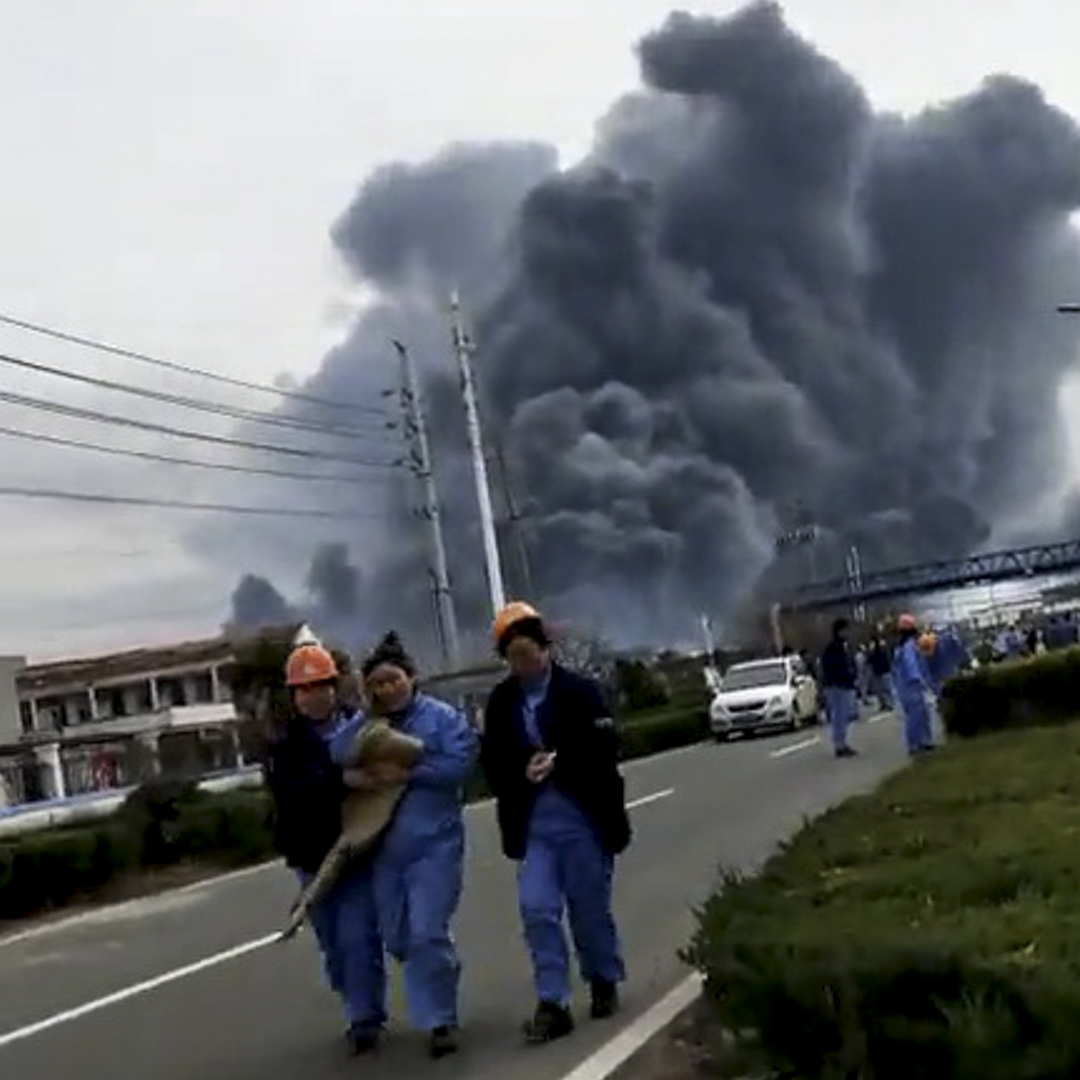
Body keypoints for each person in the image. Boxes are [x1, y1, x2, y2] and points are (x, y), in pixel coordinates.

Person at [480, 601, 630, 1045]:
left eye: (530, 652)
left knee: (588, 910)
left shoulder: (580, 690)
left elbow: (605, 741)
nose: (523, 663)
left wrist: (561, 760)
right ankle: (553, 1001)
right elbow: (492, 761)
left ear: (547, 649)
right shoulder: (502, 701)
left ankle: (603, 978)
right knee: (536, 909)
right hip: (534, 827)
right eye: (514, 657)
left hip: (584, 819)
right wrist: (521, 772)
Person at [355, 631, 478, 1060]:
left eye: (393, 680)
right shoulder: (370, 725)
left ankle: (440, 1021)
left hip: (435, 845)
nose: (387, 689)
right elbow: (338, 753)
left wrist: (409, 773)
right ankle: (440, 968)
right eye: (377, 684)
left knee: (427, 931)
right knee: (399, 938)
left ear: (412, 677)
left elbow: (460, 765)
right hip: (385, 853)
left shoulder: (442, 719)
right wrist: (364, 719)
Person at [264, 642, 387, 1057]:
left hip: (356, 852)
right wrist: (340, 782)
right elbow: (293, 792)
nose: (313, 695)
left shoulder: (363, 728)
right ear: (295, 696)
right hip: (311, 859)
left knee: (358, 939)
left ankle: (365, 1017)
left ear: (334, 687)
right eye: (304, 689)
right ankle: (353, 995)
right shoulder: (286, 747)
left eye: (320, 686)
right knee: (334, 946)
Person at [894, 614, 935, 756]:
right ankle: (916, 744)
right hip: (912, 685)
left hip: (903, 686)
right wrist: (919, 679)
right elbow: (912, 665)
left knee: (917, 714)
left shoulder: (900, 647)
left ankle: (921, 742)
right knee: (917, 715)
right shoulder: (909, 647)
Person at [819, 618, 859, 758]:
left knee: (844, 714)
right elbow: (832, 667)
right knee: (839, 715)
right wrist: (846, 675)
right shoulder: (833, 648)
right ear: (839, 631)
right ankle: (839, 745)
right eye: (846, 630)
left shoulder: (843, 646)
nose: (848, 632)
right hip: (836, 685)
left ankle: (841, 742)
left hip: (843, 684)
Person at [866, 635, 894, 712]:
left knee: (887, 688)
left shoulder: (881, 650)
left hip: (884, 671)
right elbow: (869, 661)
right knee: (879, 690)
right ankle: (883, 703)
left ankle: (890, 703)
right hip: (877, 672)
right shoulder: (872, 652)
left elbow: (886, 659)